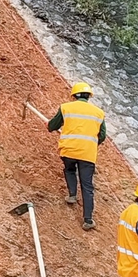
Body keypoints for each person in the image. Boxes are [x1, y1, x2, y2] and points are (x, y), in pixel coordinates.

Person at [47, 82, 107, 231]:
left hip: (69, 149)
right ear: (89, 97)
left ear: (73, 96)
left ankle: (72, 195)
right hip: (88, 153)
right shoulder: (99, 113)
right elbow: (103, 135)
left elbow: (52, 125)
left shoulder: (66, 107)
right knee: (87, 186)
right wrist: (91, 144)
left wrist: (51, 126)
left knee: (69, 170)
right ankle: (88, 220)